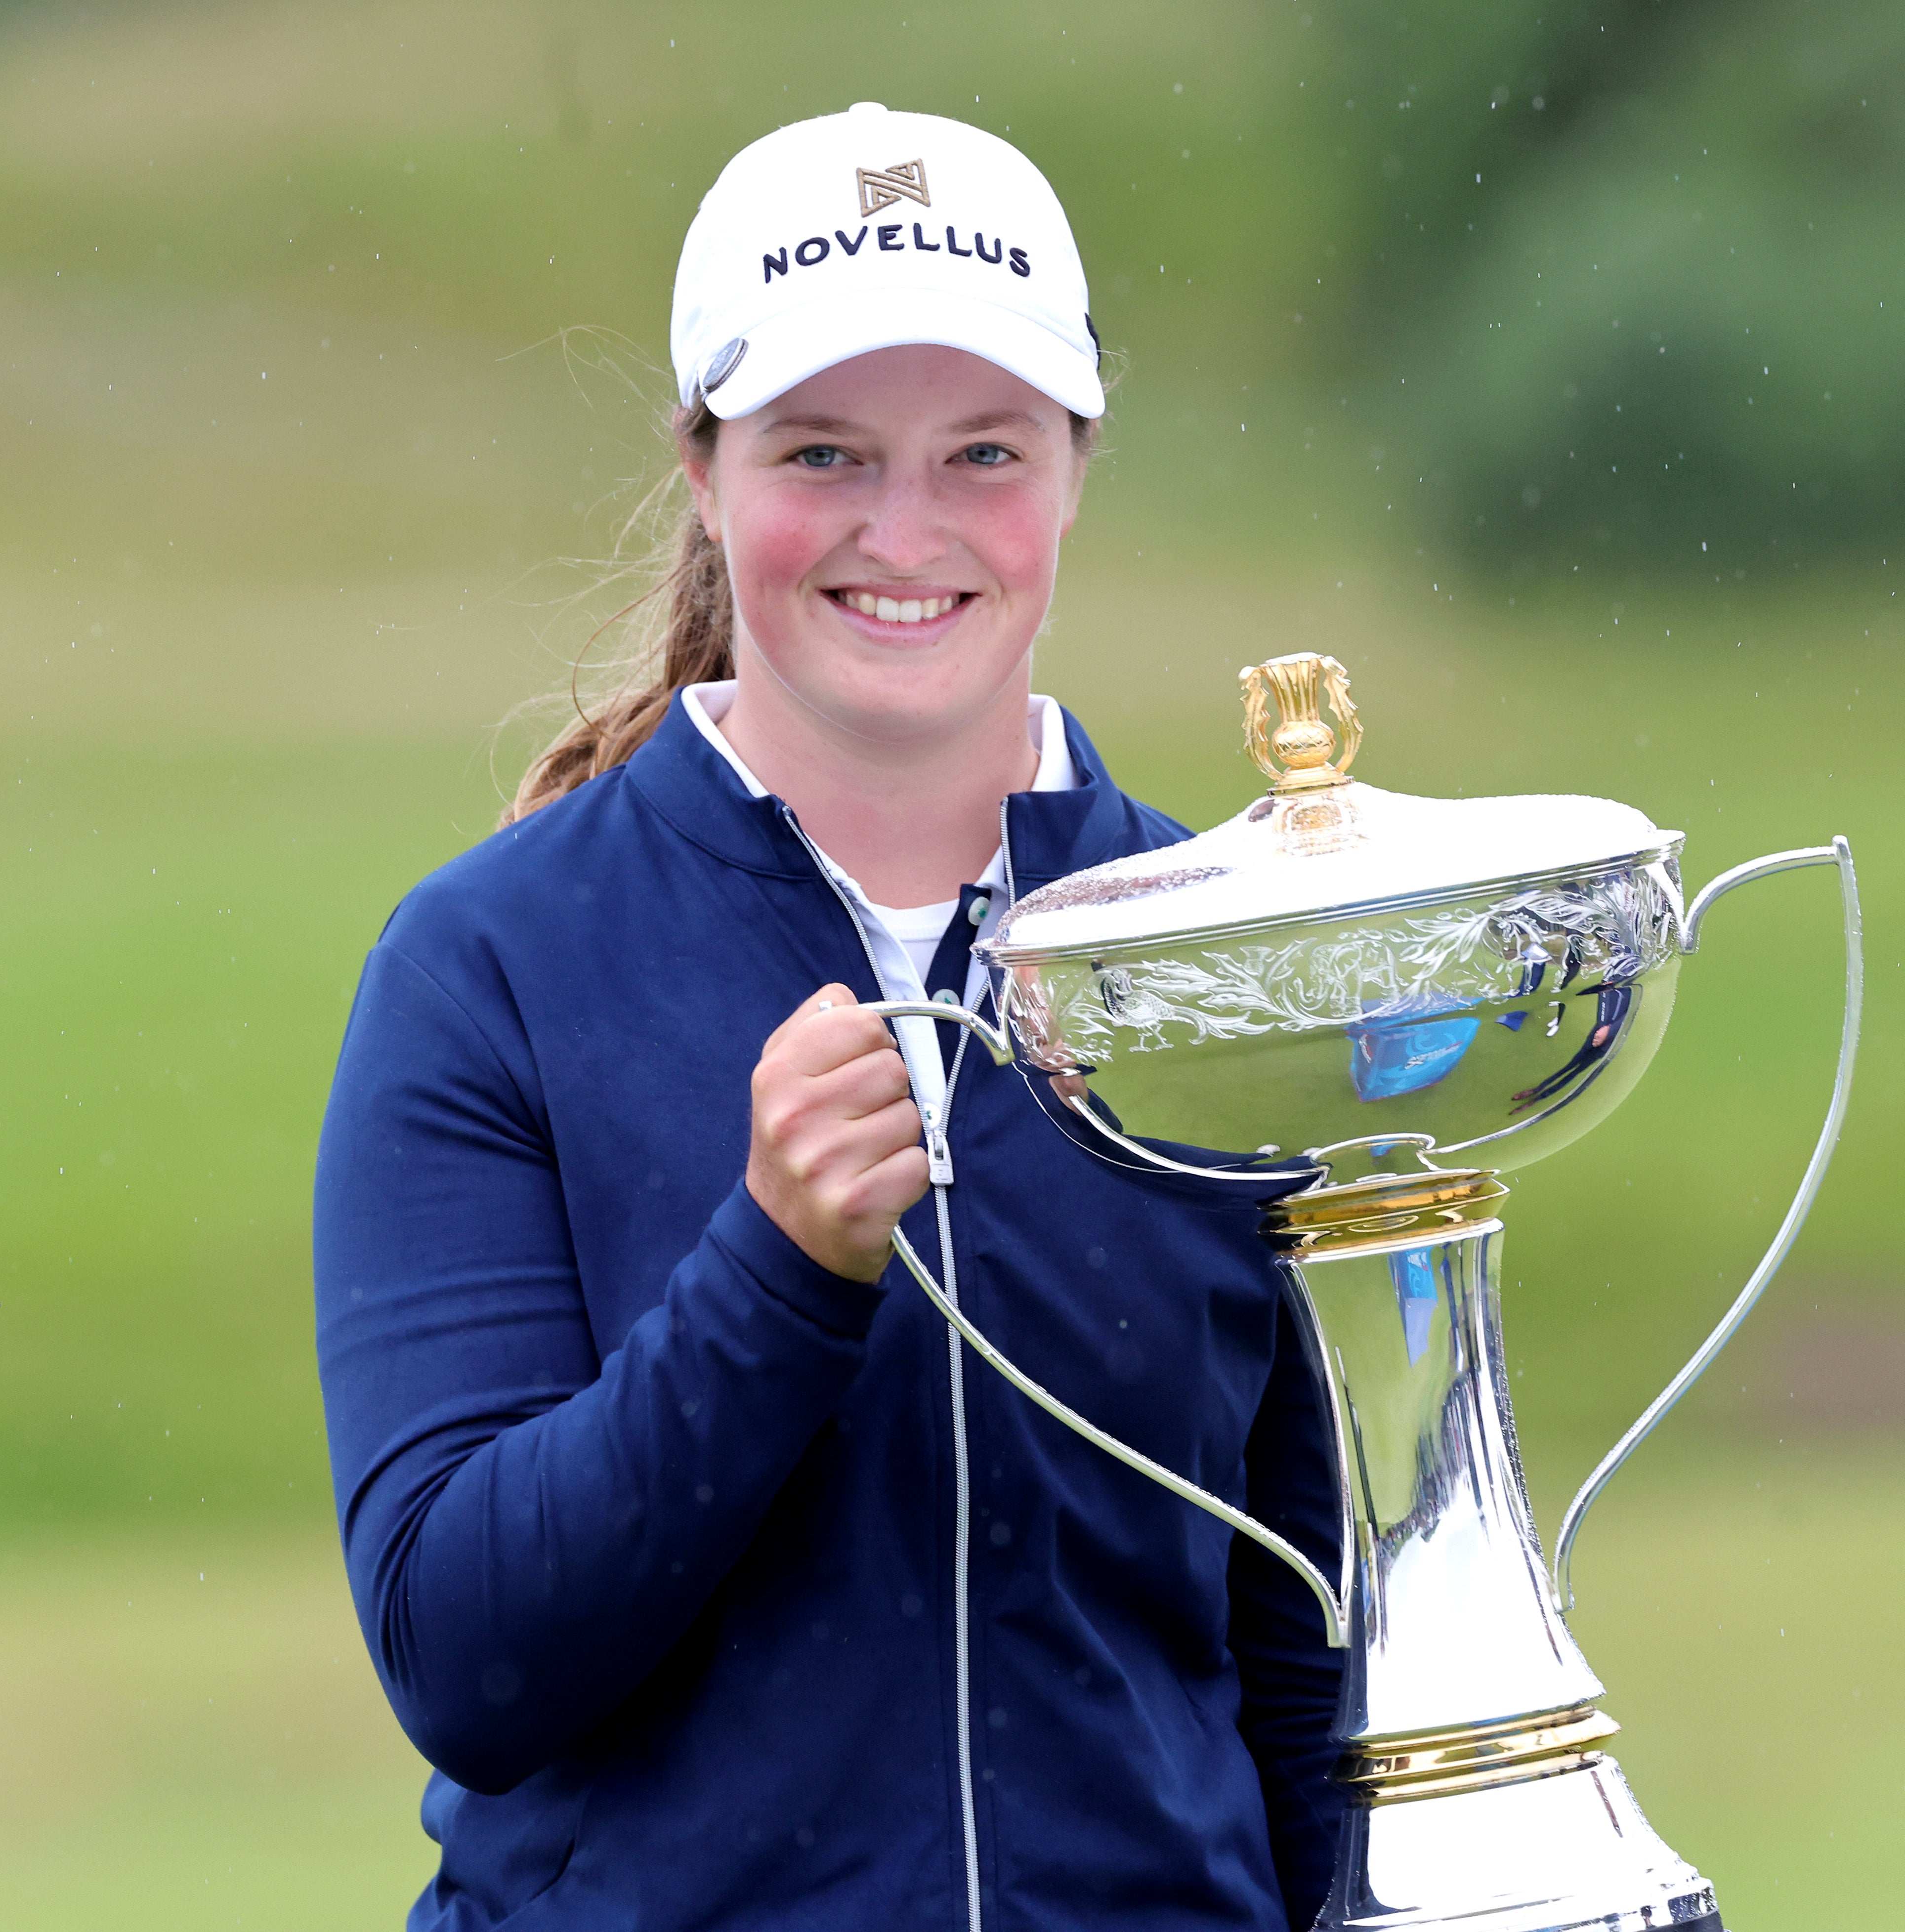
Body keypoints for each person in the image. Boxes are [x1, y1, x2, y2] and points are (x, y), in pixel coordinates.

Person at [313, 102, 1343, 1932]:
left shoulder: (1217, 959)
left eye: (982, 452)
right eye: (824, 451)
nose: (906, 528)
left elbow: (1305, 1646)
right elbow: (467, 1660)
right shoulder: (492, 966)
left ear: (1078, 466)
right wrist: (777, 1273)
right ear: (705, 467)